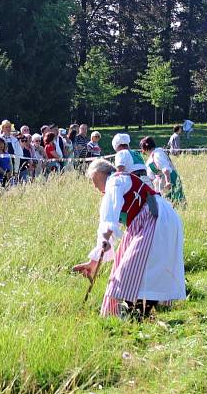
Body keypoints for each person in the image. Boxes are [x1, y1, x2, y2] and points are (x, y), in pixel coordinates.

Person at [72, 159, 186, 318]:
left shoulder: (116, 180)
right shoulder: (119, 182)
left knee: (129, 270)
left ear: (99, 173)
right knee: (132, 265)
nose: (94, 186)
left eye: (93, 180)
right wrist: (94, 262)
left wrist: (106, 233)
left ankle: (136, 313)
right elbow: (109, 232)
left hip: (153, 217)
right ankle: (136, 313)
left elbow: (108, 218)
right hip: (153, 218)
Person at [140, 136, 185, 204]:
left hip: (168, 179)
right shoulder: (153, 155)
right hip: (161, 182)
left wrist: (168, 182)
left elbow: (165, 169)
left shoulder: (157, 154)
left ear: (144, 148)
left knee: (172, 203)